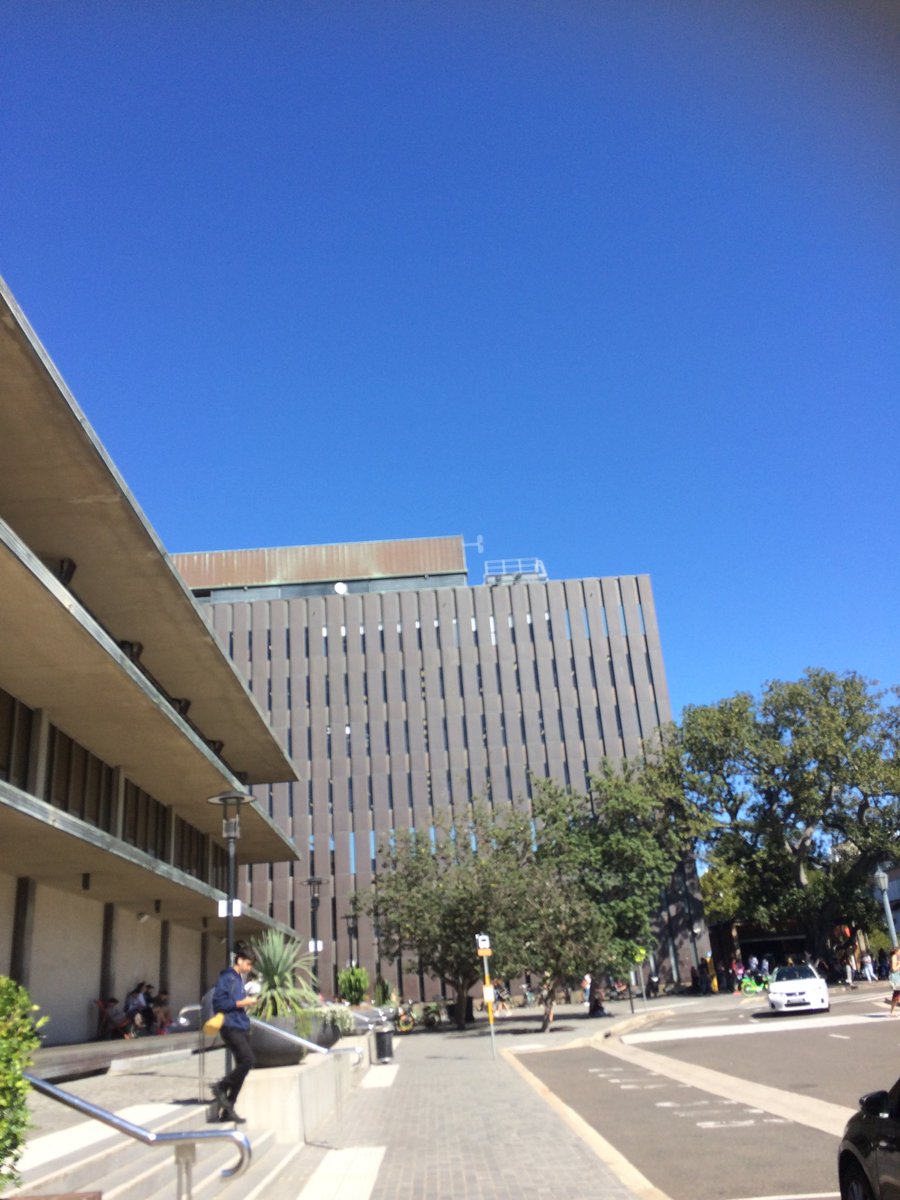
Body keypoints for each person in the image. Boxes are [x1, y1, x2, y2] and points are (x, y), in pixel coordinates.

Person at [211, 946, 258, 1123]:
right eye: (248, 963)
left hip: (240, 1025)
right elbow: (219, 1003)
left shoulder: (238, 979)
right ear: (239, 960)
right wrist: (242, 1002)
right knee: (249, 1060)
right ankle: (221, 1087)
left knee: (243, 1067)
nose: (249, 967)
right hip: (231, 1026)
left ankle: (228, 1109)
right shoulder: (227, 977)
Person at [889, 946, 900, 1016]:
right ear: (896, 951)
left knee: (897, 994)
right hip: (896, 978)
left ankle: (892, 1011)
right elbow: (893, 969)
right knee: (896, 994)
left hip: (898, 976)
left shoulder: (896, 957)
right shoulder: (894, 957)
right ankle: (892, 1011)